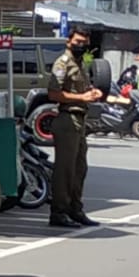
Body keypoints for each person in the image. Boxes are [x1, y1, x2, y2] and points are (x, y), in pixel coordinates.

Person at [46, 28, 102, 229]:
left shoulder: (80, 64)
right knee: (65, 170)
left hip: (80, 120)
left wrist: (90, 93)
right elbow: (53, 93)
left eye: (84, 42)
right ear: (69, 41)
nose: (81, 46)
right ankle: (59, 212)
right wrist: (81, 98)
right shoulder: (63, 63)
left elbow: (81, 90)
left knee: (80, 169)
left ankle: (75, 209)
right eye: (78, 41)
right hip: (67, 119)